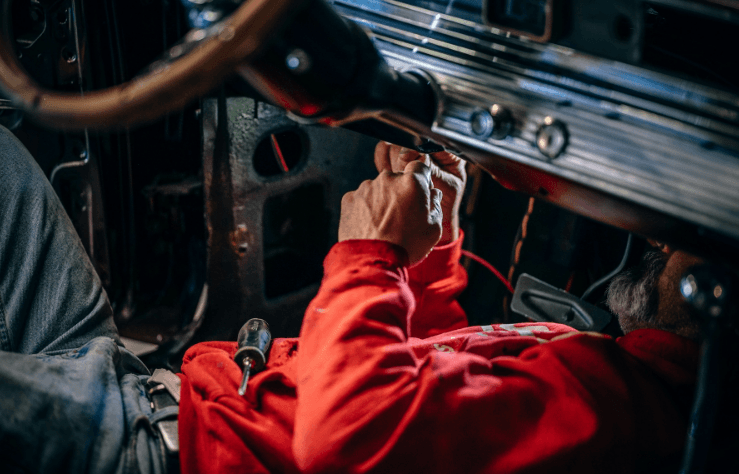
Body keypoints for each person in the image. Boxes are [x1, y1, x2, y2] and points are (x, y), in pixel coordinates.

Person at [0, 126, 700, 474]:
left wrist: (371, 254)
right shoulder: (619, 372)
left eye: (696, 248)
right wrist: (434, 248)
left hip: (151, 450)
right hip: (151, 390)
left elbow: (349, 433)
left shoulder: (621, 418)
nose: (664, 246)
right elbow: (429, 381)